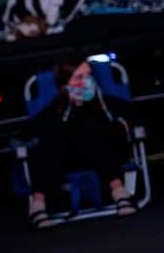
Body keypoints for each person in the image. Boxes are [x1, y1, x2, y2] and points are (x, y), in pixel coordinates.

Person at [23, 59, 137, 229]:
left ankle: (119, 192)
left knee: (90, 127)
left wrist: (115, 124)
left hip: (104, 153)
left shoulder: (104, 102)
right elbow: (30, 131)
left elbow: (133, 116)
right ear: (65, 83)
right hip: (67, 159)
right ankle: (38, 205)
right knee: (49, 140)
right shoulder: (56, 109)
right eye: (79, 77)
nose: (86, 81)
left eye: (89, 75)